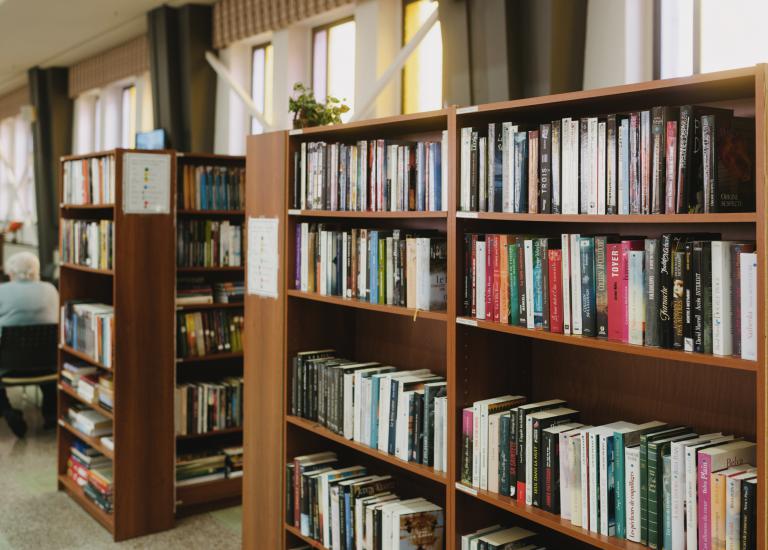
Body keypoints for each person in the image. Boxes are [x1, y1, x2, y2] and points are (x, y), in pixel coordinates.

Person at [0, 251, 59, 437]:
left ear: (11, 273)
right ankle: (51, 414)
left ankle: (7, 411)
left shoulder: (2, 291)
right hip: (50, 365)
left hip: (8, 367)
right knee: (40, 350)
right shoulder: (51, 290)